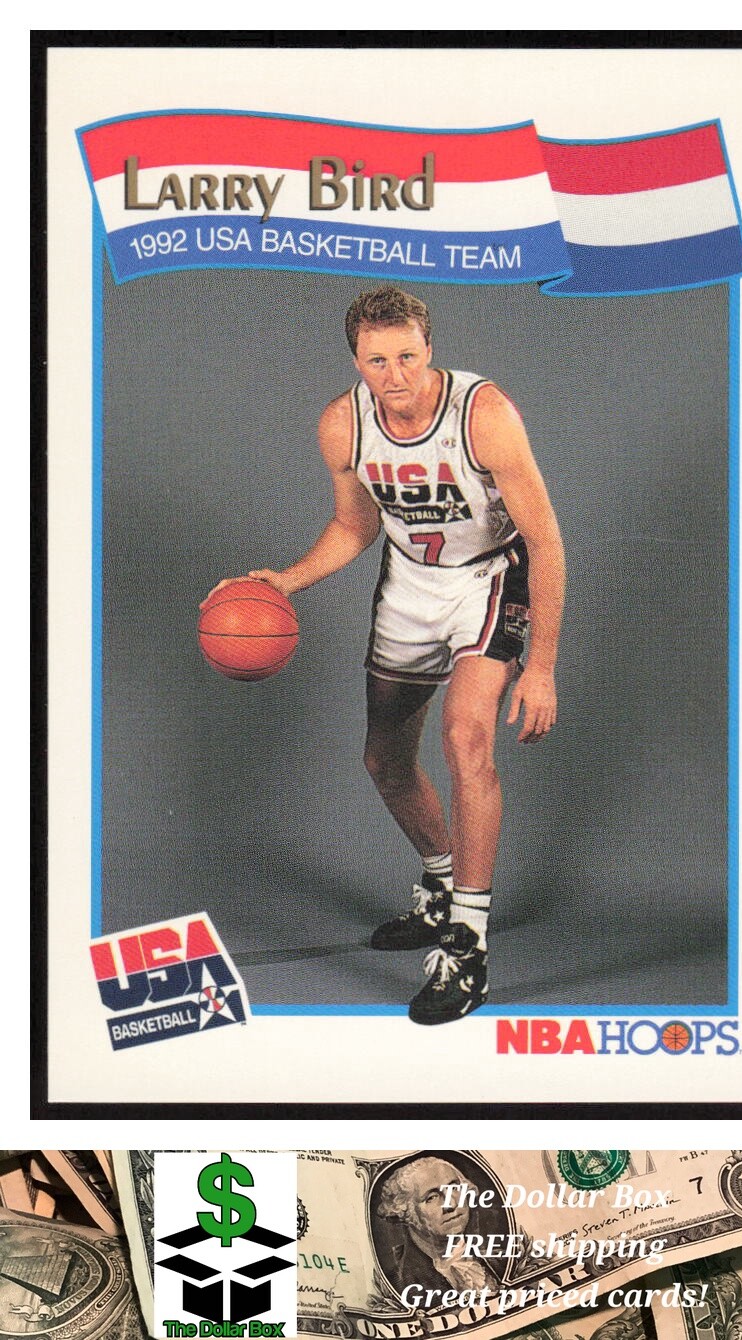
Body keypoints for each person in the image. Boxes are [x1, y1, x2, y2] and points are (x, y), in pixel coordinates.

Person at [204, 286, 565, 1025]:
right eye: (377, 361)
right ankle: (440, 884)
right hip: (409, 584)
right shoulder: (343, 424)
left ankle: (467, 943)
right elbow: (354, 525)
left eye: (406, 356)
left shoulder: (483, 414)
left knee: (466, 737)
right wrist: (285, 580)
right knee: (385, 761)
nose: (395, 375)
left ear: (428, 349)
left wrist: (542, 666)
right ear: (356, 361)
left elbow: (545, 540)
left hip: (488, 579)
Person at [374, 1155, 505, 1297]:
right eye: (431, 1197)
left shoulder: (502, 1262)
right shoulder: (399, 1286)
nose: (451, 1204)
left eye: (454, 1188)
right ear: (404, 1212)